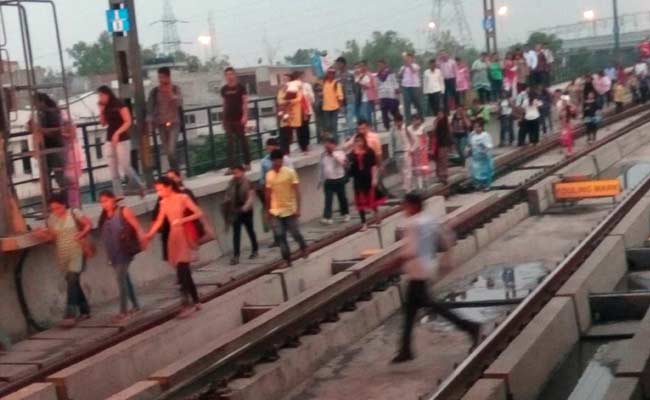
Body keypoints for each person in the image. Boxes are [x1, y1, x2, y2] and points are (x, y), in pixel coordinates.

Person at [390, 192, 481, 363]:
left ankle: (470, 327)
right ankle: (405, 349)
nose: (404, 208)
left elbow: (411, 250)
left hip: (418, 270)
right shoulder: (428, 219)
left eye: (406, 205)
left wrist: (392, 264)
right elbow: (447, 236)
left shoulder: (413, 223)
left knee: (432, 305)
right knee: (410, 310)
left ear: (413, 206)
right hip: (428, 265)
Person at [144, 176, 203, 318]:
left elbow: (198, 213)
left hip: (182, 234)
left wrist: (182, 220)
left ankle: (186, 303)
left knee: (182, 269)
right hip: (173, 237)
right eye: (157, 190)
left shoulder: (183, 197)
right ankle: (196, 300)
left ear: (169, 187)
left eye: (160, 189)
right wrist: (149, 235)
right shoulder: (163, 202)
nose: (158, 193)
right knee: (183, 270)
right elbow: (159, 221)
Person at [40, 194, 92, 326]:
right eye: (52, 209)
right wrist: (42, 234)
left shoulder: (74, 213)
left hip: (77, 250)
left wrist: (82, 234)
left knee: (72, 278)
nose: (55, 211)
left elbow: (88, 224)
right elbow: (53, 239)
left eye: (57, 208)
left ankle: (70, 313)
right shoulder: (51, 219)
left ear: (64, 205)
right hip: (63, 253)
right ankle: (85, 310)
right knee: (72, 282)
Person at [98, 190, 144, 322]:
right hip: (113, 253)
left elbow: (137, 226)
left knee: (120, 280)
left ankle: (123, 311)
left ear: (113, 200)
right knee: (125, 279)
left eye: (107, 201)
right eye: (102, 202)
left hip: (124, 251)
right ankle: (136, 306)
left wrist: (143, 239)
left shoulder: (123, 211)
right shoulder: (105, 216)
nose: (105, 204)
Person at [97, 85, 145, 197]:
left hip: (122, 138)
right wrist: (101, 111)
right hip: (109, 138)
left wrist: (118, 133)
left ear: (107, 94)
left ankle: (139, 184)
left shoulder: (119, 104)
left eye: (101, 95)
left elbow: (128, 121)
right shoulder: (105, 107)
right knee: (113, 169)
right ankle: (119, 195)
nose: (100, 98)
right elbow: (103, 123)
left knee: (125, 166)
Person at [265, 149, 308, 265]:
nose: (278, 162)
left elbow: (297, 192)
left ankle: (303, 246)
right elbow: (268, 194)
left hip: (290, 209)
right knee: (280, 236)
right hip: (276, 211)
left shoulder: (290, 172)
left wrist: (298, 208)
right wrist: (268, 210)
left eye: (280, 160)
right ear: (273, 161)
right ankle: (287, 259)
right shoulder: (269, 175)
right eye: (276, 160)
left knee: (295, 233)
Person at [152, 169, 197, 262]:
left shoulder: (184, 195)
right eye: (169, 178)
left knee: (182, 264)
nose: (171, 180)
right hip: (170, 232)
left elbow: (195, 211)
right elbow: (157, 217)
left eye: (173, 178)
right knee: (179, 263)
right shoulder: (163, 199)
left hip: (184, 231)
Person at [31, 93, 68, 195]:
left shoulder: (51, 113)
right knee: (48, 177)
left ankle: (64, 199)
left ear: (42, 102)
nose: (35, 106)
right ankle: (53, 200)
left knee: (58, 177)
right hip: (47, 147)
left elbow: (55, 131)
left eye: (35, 103)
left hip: (54, 147)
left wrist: (39, 129)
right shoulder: (43, 113)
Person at [147, 67, 183, 170]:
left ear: (168, 77)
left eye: (163, 77)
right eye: (159, 77)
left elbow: (179, 103)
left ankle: (175, 173)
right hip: (161, 124)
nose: (161, 80)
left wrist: (172, 94)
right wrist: (150, 122)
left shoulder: (176, 89)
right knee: (167, 151)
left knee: (171, 150)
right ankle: (175, 172)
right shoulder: (154, 92)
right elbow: (150, 108)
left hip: (174, 123)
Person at [347, 134, 385, 231]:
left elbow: (373, 166)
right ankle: (364, 223)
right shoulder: (352, 154)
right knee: (360, 203)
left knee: (371, 200)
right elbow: (350, 169)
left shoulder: (369, 152)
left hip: (368, 178)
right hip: (358, 180)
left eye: (360, 141)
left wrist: (374, 178)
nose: (358, 143)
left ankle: (376, 214)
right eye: (356, 141)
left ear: (364, 141)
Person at [224, 165, 259, 265]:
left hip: (246, 210)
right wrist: (227, 202)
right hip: (235, 210)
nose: (236, 175)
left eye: (237, 172)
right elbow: (227, 195)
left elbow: (251, 197)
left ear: (243, 172)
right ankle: (236, 256)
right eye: (234, 173)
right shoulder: (231, 183)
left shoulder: (248, 182)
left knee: (250, 230)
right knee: (236, 233)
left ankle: (255, 250)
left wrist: (245, 207)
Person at [220, 67, 251, 171]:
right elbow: (224, 104)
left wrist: (245, 115)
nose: (229, 76)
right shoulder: (224, 89)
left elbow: (245, 102)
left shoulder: (241, 88)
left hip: (239, 118)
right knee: (229, 143)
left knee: (242, 140)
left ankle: (247, 163)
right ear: (225, 76)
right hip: (228, 119)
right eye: (227, 74)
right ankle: (231, 167)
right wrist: (223, 119)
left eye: (231, 74)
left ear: (235, 75)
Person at [319, 138, 350, 225]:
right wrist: (321, 179)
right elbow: (322, 168)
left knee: (342, 198)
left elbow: (345, 164)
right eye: (325, 146)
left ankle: (345, 213)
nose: (327, 147)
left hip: (339, 179)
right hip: (328, 180)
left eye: (329, 145)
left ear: (334, 145)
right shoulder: (323, 155)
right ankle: (327, 216)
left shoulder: (340, 153)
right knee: (328, 199)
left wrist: (334, 155)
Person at [277, 72, 305, 154]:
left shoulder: (295, 88)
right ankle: (285, 152)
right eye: (284, 79)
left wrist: (289, 101)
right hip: (285, 113)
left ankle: (303, 148)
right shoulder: (281, 90)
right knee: (284, 133)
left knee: (299, 131)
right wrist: (284, 102)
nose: (285, 81)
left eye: (287, 80)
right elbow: (279, 100)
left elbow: (299, 98)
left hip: (294, 112)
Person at [469, 119, 494, 191]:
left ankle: (487, 185)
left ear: (481, 127)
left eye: (478, 127)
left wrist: (485, 150)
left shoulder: (485, 135)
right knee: (476, 171)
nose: (476, 129)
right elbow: (471, 145)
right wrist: (469, 150)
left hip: (485, 157)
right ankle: (479, 184)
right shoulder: (472, 135)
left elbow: (489, 145)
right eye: (475, 127)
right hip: (476, 157)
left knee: (486, 171)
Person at [398, 52, 423, 123]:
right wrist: (403, 69)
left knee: (417, 103)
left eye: (409, 58)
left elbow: (413, 71)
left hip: (414, 87)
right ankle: (408, 121)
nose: (407, 59)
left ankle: (421, 118)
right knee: (407, 105)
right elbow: (399, 76)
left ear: (412, 59)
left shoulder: (415, 65)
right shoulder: (402, 67)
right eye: (406, 58)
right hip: (405, 87)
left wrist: (409, 65)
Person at [335, 57, 357, 136]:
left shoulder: (350, 75)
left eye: (339, 64)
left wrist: (355, 97)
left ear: (343, 64)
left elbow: (354, 87)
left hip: (350, 99)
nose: (337, 65)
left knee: (349, 117)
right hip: (342, 101)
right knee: (347, 118)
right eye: (337, 64)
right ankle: (351, 134)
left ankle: (351, 135)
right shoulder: (336, 75)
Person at [376, 59, 400, 131]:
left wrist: (397, 91)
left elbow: (395, 82)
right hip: (382, 95)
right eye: (378, 65)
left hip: (390, 94)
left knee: (394, 111)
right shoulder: (378, 75)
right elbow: (378, 85)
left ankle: (399, 124)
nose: (380, 66)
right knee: (384, 112)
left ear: (385, 65)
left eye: (381, 65)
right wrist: (378, 96)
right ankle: (387, 127)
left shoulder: (390, 73)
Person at [321, 67, 344, 141]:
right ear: (327, 74)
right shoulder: (324, 83)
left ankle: (335, 140)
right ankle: (329, 140)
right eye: (329, 73)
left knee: (334, 125)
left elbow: (340, 96)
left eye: (332, 73)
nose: (330, 75)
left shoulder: (337, 83)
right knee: (327, 126)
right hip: (326, 108)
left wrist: (340, 106)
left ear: (334, 74)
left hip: (335, 107)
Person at [393, 114, 415, 192]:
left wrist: (411, 149)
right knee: (401, 170)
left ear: (401, 121)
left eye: (398, 122)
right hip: (398, 152)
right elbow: (392, 142)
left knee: (408, 170)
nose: (397, 123)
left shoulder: (406, 129)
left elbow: (414, 140)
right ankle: (405, 185)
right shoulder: (393, 130)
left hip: (406, 152)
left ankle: (408, 188)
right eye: (395, 122)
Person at [408, 115, 429, 190]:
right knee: (416, 168)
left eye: (416, 120)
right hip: (414, 151)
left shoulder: (422, 128)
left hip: (422, 150)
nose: (415, 122)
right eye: (413, 120)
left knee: (423, 167)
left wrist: (425, 148)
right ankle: (419, 186)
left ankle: (425, 181)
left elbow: (426, 138)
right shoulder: (409, 129)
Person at [297, 71, 315, 153]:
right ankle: (301, 145)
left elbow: (312, 98)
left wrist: (306, 96)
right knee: (299, 128)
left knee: (305, 127)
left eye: (301, 77)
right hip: (297, 110)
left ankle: (306, 144)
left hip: (306, 109)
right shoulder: (294, 86)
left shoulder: (307, 86)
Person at [433, 111, 452, 185]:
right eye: (438, 114)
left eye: (441, 114)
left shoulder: (445, 123)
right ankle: (440, 175)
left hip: (443, 144)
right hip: (438, 144)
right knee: (439, 160)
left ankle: (443, 175)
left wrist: (450, 144)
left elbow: (448, 133)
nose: (439, 115)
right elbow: (434, 132)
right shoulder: (437, 122)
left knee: (443, 160)